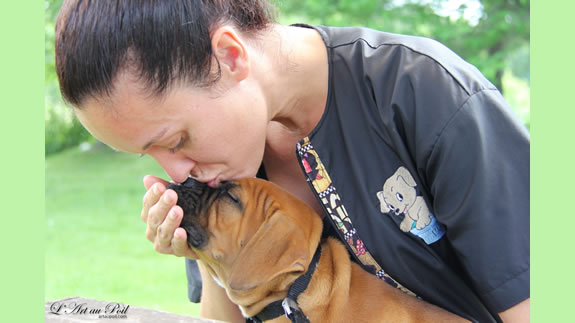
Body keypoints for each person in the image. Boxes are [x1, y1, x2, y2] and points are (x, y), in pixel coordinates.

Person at [54, 0, 530, 322]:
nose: (177, 173)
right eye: (148, 154)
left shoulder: (426, 95)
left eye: (177, 139)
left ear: (229, 56)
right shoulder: (228, 166)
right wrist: (208, 250)